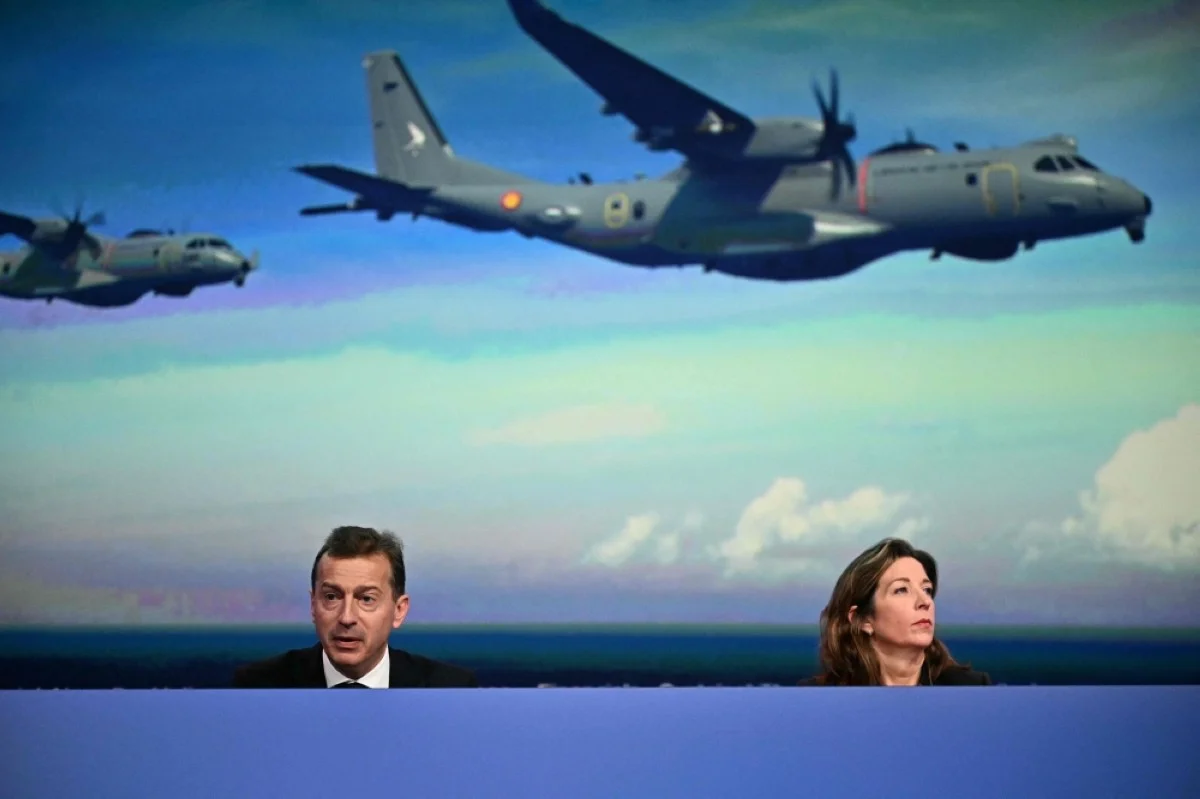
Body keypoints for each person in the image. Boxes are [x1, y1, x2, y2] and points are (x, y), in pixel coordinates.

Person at [233, 526, 479, 688]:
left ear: (399, 610)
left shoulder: (449, 690)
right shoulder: (258, 687)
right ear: (313, 604)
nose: (346, 617)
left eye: (366, 599)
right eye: (332, 597)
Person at [798, 537, 992, 686]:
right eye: (901, 590)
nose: (925, 601)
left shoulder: (971, 689)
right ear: (862, 619)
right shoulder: (818, 697)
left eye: (927, 590)